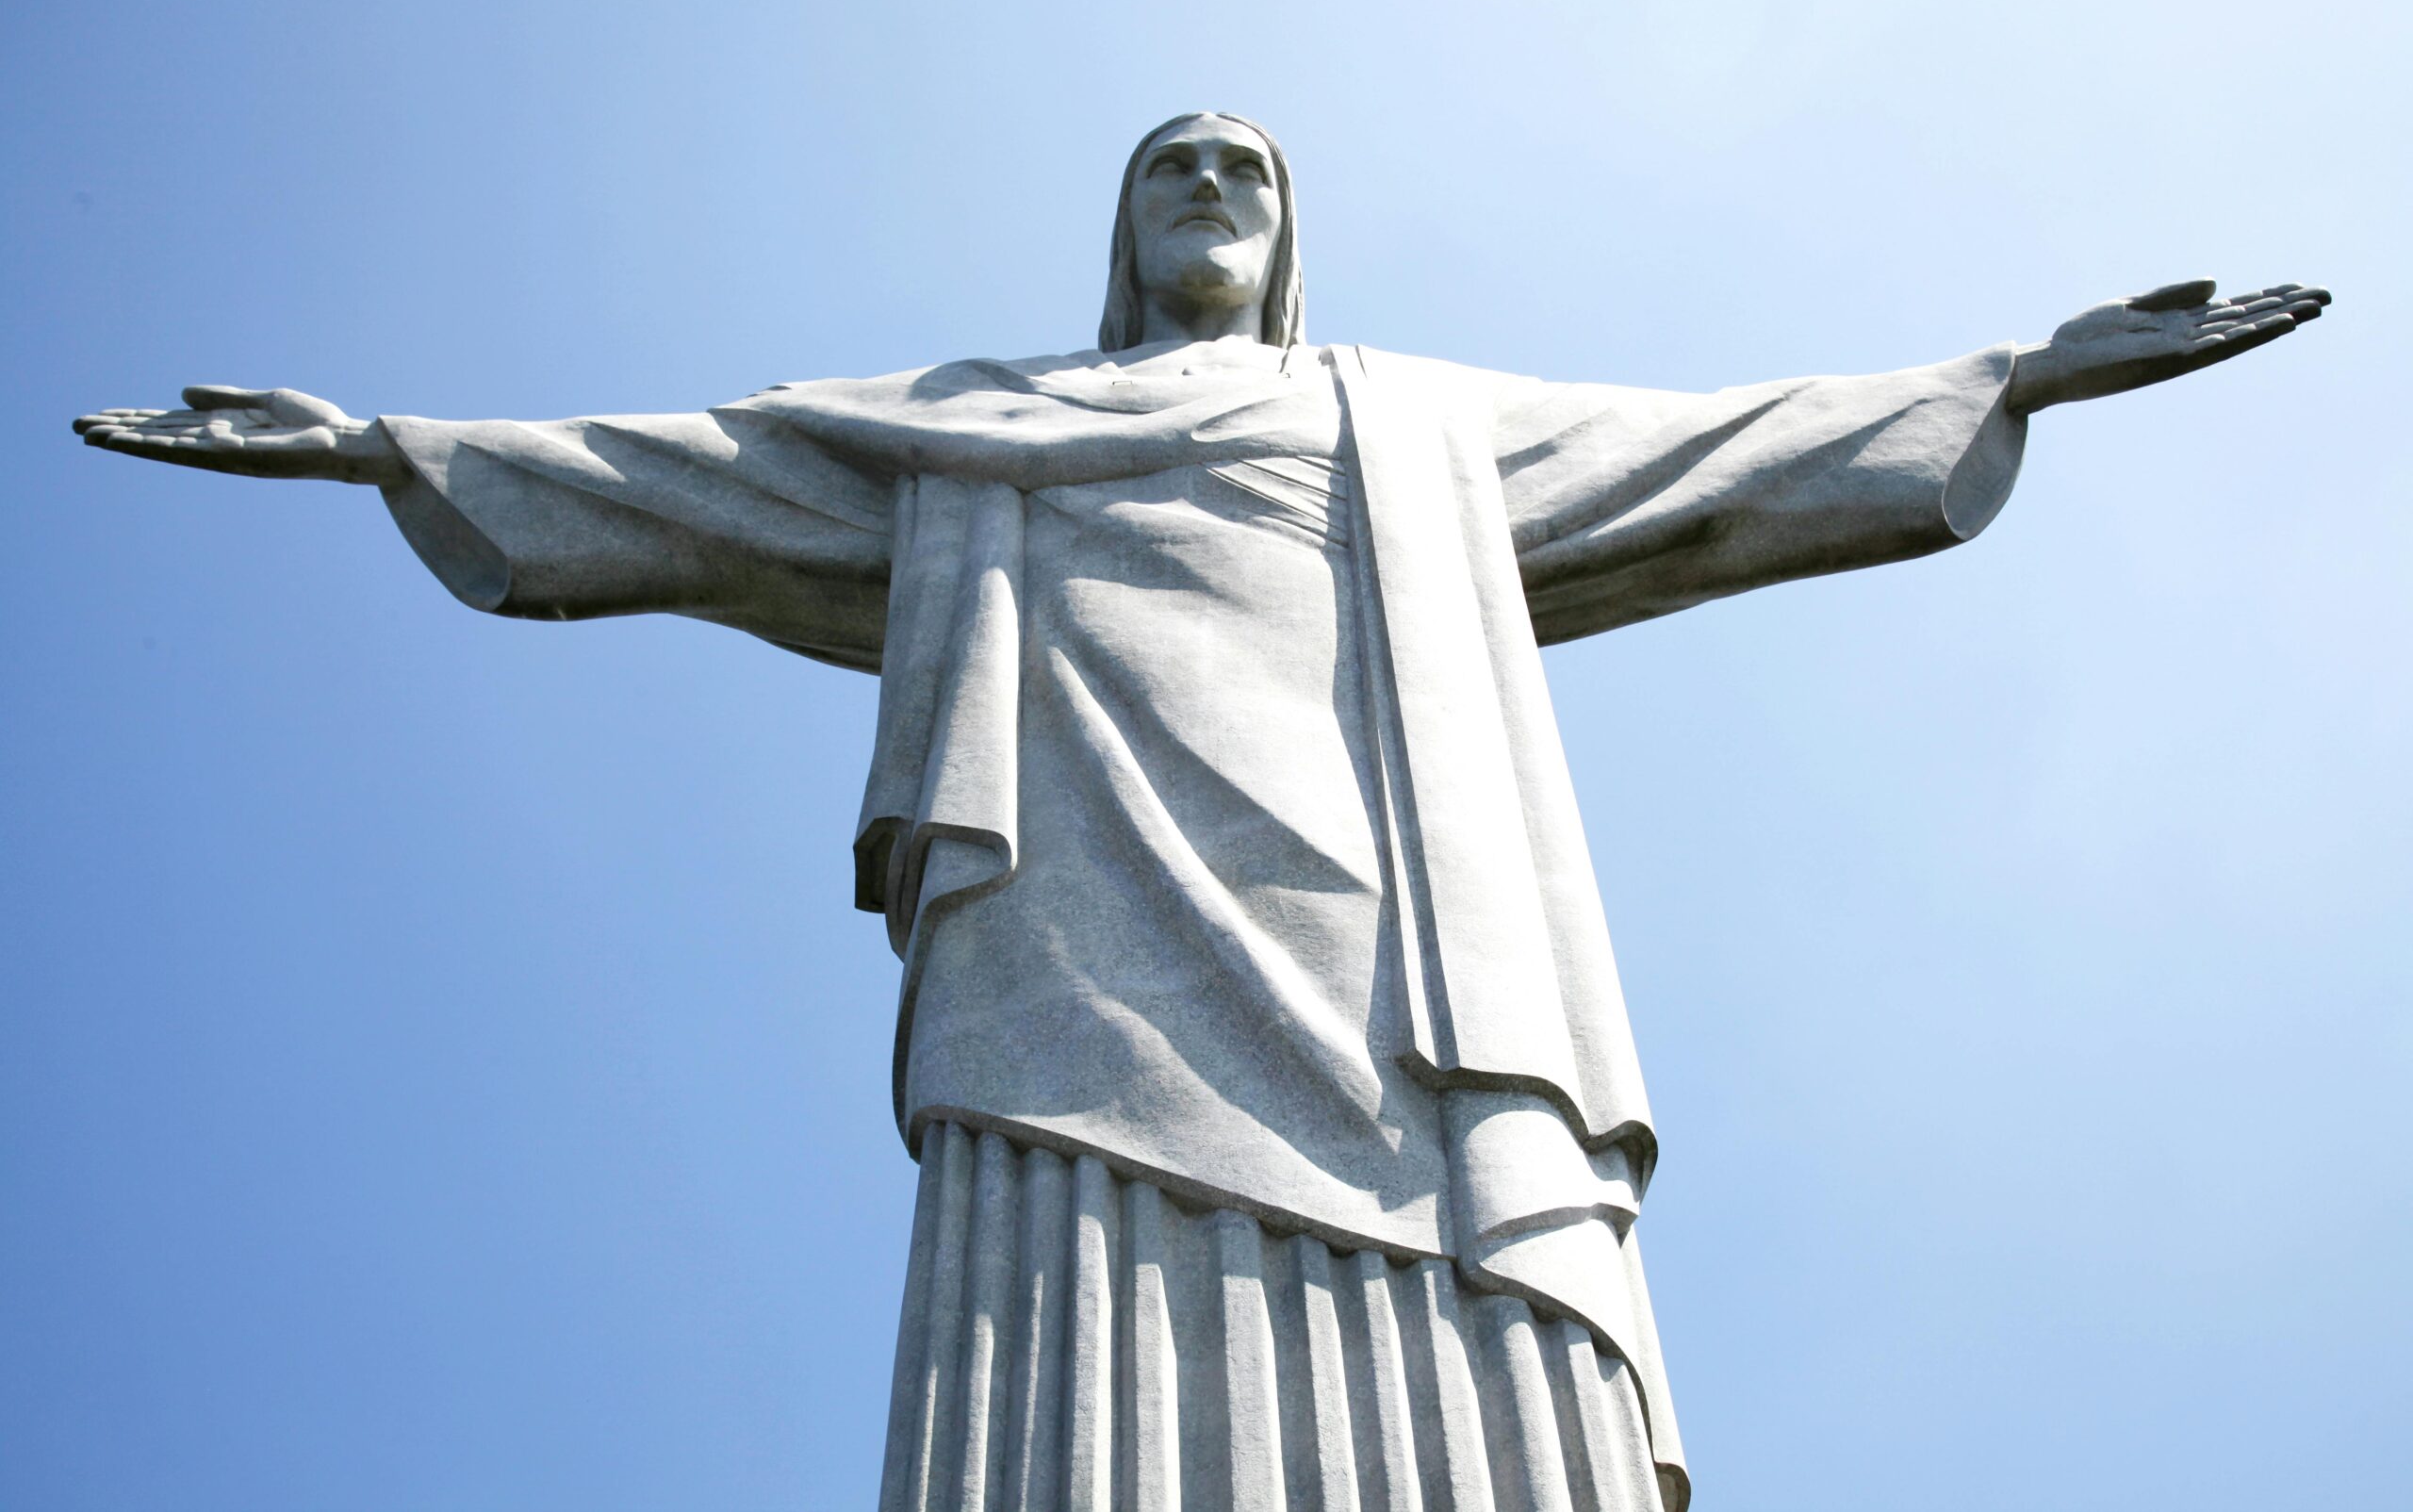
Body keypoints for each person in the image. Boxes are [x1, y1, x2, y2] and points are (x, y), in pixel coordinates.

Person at [78, 112, 2328, 1512]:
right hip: (1071, 931)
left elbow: (1702, 452)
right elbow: (686, 474)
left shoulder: (1408, 421)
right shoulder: (968, 426)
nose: (1212, 192)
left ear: (1289, 229)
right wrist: (387, 438)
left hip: (1402, 951)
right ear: (1121, 228)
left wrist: (2006, 375)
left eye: (1247, 167)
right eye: (1172, 164)